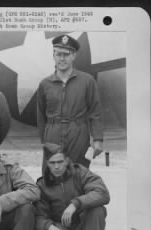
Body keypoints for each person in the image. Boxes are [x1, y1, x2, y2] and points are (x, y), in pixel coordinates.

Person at [35, 143, 110, 230]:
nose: (56, 167)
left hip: (84, 226)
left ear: (67, 160)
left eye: (60, 162)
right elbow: (39, 215)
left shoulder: (80, 172)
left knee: (97, 209)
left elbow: (102, 193)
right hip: (62, 228)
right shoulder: (42, 184)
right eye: (52, 163)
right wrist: (49, 227)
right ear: (47, 163)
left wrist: (75, 204)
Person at [37, 34, 104, 169]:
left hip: (78, 133)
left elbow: (95, 112)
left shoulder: (87, 81)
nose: (62, 59)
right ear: (53, 56)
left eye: (66, 54)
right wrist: (45, 141)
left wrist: (98, 139)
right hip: (53, 133)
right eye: (58, 54)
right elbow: (41, 116)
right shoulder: (45, 84)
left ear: (73, 56)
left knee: (78, 174)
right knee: (52, 175)